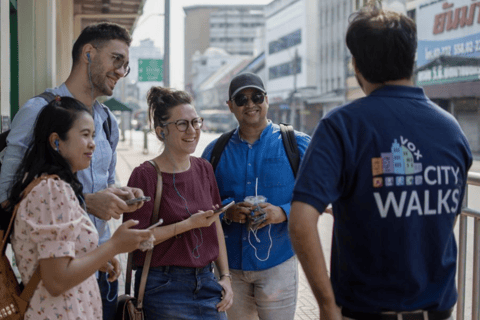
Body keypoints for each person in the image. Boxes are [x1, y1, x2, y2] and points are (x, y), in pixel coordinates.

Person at [289, 2, 472, 320]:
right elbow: (446, 214)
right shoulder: (450, 128)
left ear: (356, 65)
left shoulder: (342, 125)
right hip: (438, 310)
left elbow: (301, 222)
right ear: (412, 60)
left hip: (364, 310)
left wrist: (327, 305)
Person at [0, 22, 145, 320]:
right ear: (88, 54)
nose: (121, 71)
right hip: (52, 279)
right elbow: (7, 196)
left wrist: (120, 194)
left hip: (102, 266)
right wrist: (88, 201)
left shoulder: (107, 121)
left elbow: (104, 183)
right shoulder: (38, 110)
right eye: (116, 59)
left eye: (126, 66)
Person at [8, 97, 152, 320]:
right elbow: (56, 281)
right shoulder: (51, 191)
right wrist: (114, 245)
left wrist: (95, 258)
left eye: (93, 135)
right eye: (85, 135)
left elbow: (57, 259)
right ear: (56, 141)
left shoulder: (52, 187)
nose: (92, 143)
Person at [202, 72, 311, 320]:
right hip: (230, 270)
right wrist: (226, 211)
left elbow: (323, 193)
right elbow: (200, 203)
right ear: (230, 106)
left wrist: (284, 212)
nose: (250, 104)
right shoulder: (215, 151)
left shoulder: (297, 144)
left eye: (256, 96)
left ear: (267, 100)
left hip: (278, 265)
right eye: (241, 99)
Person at [123, 87, 233, 320]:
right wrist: (188, 224)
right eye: (182, 124)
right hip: (164, 287)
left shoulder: (204, 168)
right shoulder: (145, 175)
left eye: (195, 122)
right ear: (161, 131)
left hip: (208, 283)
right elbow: (135, 241)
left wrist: (225, 277)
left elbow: (215, 226)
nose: (192, 130)